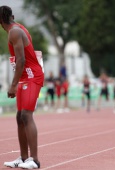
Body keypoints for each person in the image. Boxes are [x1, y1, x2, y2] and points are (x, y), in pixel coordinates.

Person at [0, 6, 44, 168]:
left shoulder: (15, 32)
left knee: (26, 115)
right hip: (25, 76)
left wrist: (12, 85)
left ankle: (35, 160)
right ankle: (23, 158)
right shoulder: (17, 28)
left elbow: (21, 60)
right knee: (20, 117)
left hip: (31, 76)